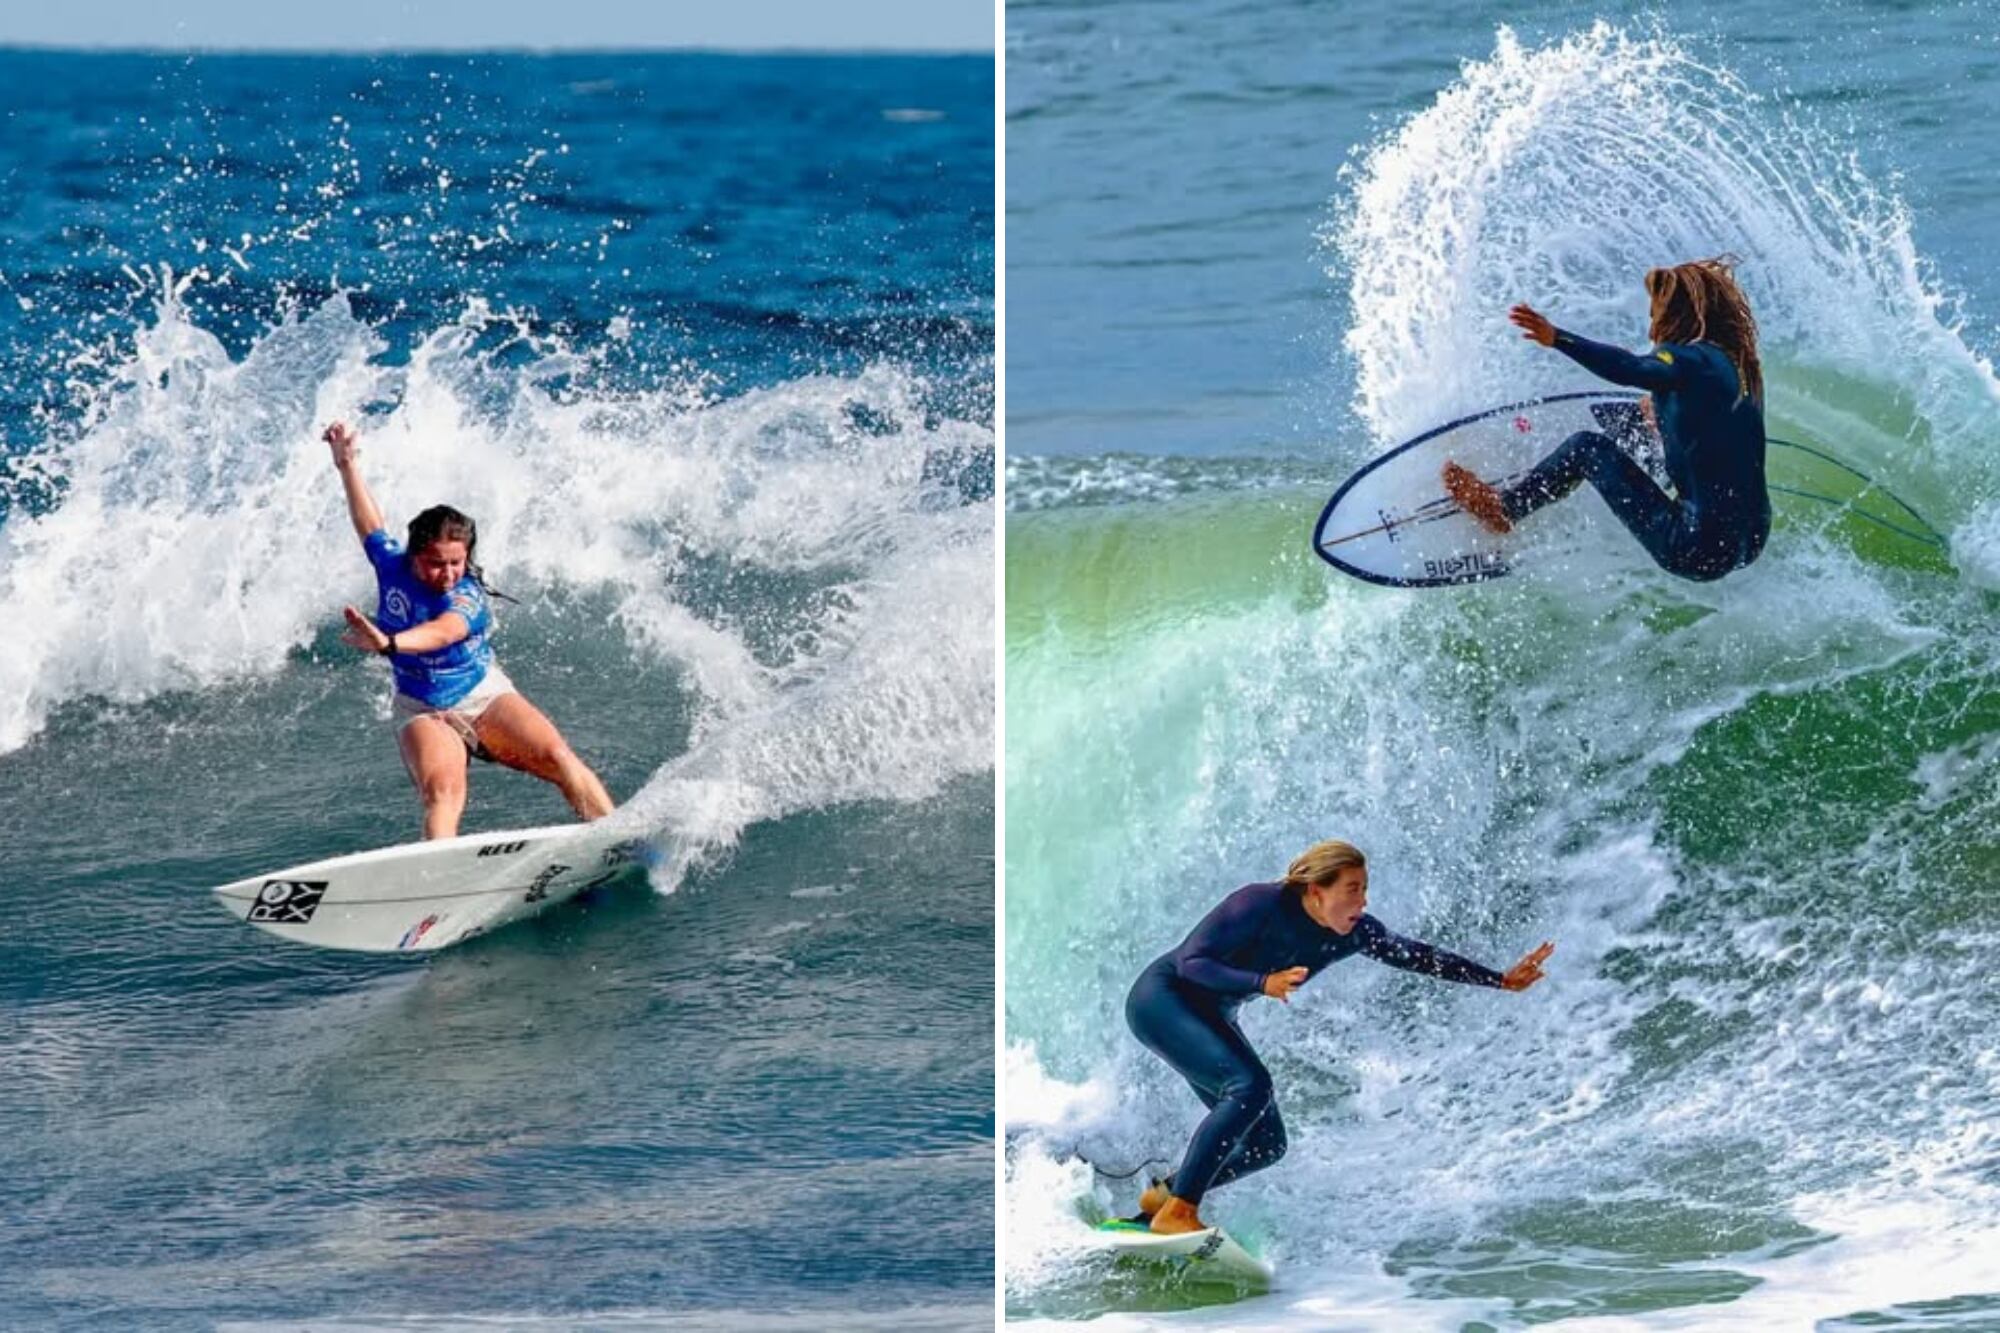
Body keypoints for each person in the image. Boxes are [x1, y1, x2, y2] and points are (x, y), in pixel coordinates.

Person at [1125, 839, 1552, 1235]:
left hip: (1211, 1016)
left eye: (1364, 889)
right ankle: (1180, 1211)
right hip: (1163, 1001)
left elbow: (1419, 956)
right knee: (1250, 1088)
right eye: (1352, 889)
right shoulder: (1259, 903)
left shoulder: (1356, 933)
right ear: (1316, 891)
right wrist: (1262, 982)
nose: (1362, 901)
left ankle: (1163, 1199)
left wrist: (1500, 980)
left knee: (1266, 1144)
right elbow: (1191, 963)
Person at [325, 421, 616, 839]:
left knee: (557, 756)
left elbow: (443, 632)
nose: (447, 574)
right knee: (442, 793)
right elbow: (370, 526)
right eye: (436, 563)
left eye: (456, 563)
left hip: (483, 695)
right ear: (414, 557)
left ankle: (617, 840)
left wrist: (389, 643)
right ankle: (436, 876)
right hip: (421, 707)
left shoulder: (467, 597)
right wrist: (347, 466)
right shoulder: (391, 565)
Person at [1442, 256, 1769, 582]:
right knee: (1647, 421)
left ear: (1673, 315)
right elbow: (1712, 428)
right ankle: (1644, 458)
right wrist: (1661, 408)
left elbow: (1631, 368)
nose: (1652, 327)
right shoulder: (1739, 368)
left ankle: (1505, 508)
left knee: (1586, 448)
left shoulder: (1681, 357)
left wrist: (1558, 338)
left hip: (1694, 546)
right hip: (1751, 540)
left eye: (1654, 314)